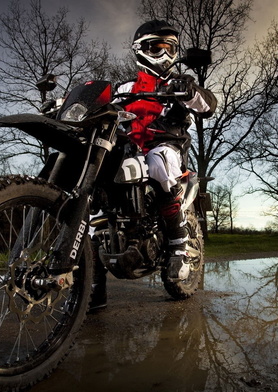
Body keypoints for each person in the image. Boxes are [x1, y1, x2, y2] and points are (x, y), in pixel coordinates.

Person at [88, 20, 217, 311]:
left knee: (157, 161)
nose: (162, 53)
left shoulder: (178, 84)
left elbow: (208, 105)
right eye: (154, 46)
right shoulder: (124, 88)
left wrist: (190, 91)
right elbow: (102, 108)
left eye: (167, 47)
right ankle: (93, 286)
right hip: (127, 150)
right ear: (139, 50)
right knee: (95, 194)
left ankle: (178, 245)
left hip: (166, 147)